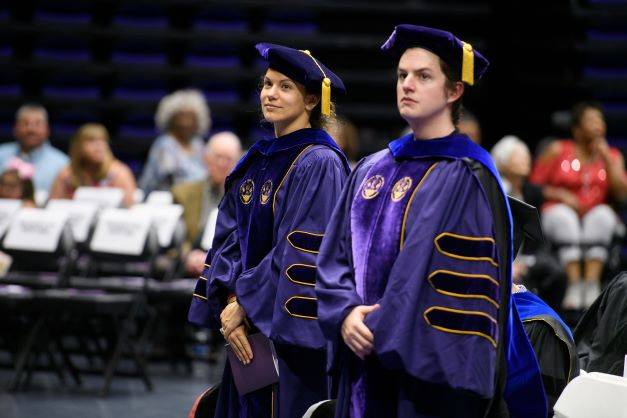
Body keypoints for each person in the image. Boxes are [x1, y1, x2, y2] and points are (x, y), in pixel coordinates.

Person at [315, 24, 546, 417]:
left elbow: (438, 279)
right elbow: (333, 254)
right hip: (359, 361)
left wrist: (376, 328)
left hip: (425, 379)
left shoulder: (469, 175)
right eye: (402, 75)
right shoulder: (372, 168)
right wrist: (345, 313)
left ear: (454, 90)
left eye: (424, 76)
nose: (407, 85)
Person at [188, 43, 350, 418]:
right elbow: (228, 241)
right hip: (247, 331)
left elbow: (301, 251)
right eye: (267, 84)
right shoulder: (257, 160)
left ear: (312, 100)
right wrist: (230, 304)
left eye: (284, 87)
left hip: (291, 336)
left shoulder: (319, 163)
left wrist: (244, 304)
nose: (270, 94)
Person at [529, 102, 627, 309]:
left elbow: (622, 194)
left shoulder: (612, 156)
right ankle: (574, 284)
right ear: (576, 129)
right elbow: (533, 187)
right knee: (564, 216)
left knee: (602, 215)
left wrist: (607, 159)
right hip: (559, 213)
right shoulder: (557, 150)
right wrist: (560, 194)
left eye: (600, 120)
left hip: (594, 216)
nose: (598, 125)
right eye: (591, 120)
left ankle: (591, 284)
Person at [173, 131, 242, 276]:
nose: (222, 164)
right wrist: (188, 256)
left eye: (228, 159)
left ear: (239, 162)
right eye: (218, 158)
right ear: (206, 159)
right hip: (191, 267)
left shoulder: (248, 197)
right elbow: (176, 238)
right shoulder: (183, 193)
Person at [139, 89, 211, 194]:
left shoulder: (198, 144)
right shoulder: (165, 144)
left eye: (190, 116)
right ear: (170, 118)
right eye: (181, 116)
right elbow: (173, 180)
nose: (185, 122)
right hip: (166, 201)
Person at [49, 123, 137, 207]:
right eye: (92, 141)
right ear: (78, 146)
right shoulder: (67, 174)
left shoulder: (119, 173)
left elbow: (130, 208)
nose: (99, 146)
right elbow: (53, 205)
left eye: (103, 140)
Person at [0, 104, 68, 193]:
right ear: (15, 128)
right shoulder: (1, 154)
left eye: (38, 124)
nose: (31, 129)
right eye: (25, 123)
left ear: (47, 129)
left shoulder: (62, 163)